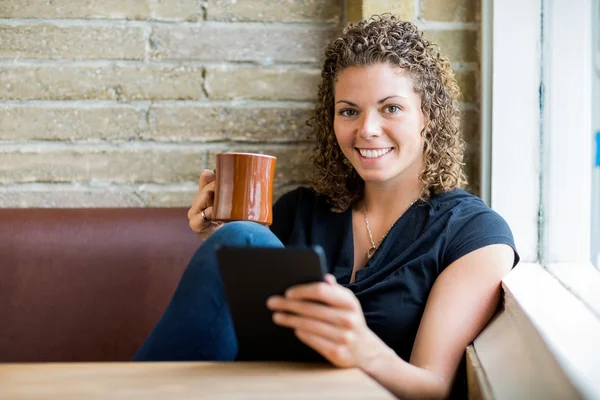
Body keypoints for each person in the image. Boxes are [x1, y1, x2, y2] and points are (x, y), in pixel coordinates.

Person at [133, 14, 519, 400]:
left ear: (427, 118)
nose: (366, 129)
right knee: (241, 238)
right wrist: (223, 248)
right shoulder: (297, 213)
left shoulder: (473, 234)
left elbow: (433, 388)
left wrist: (363, 349)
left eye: (391, 108)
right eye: (349, 111)